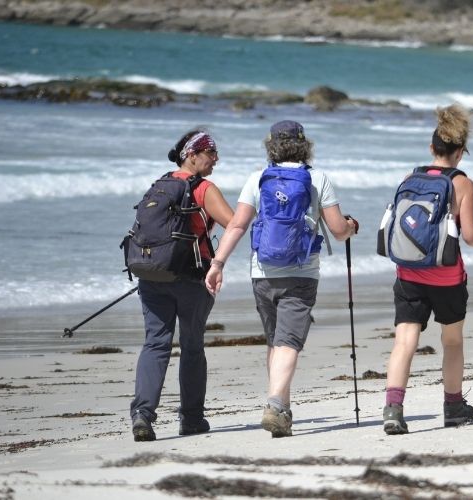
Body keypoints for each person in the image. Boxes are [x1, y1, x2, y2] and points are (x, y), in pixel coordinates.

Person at [205, 120, 357, 438]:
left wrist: (218, 263)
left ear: (271, 145)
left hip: (261, 272)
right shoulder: (317, 178)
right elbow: (339, 231)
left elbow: (236, 226)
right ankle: (275, 405)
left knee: (276, 342)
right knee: (288, 343)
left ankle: (282, 413)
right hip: (301, 273)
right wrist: (352, 226)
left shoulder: (258, 178)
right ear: (304, 145)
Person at [383, 104, 473, 435]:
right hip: (448, 276)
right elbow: (471, 236)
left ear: (431, 148)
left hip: (407, 273)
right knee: (451, 341)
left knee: (404, 340)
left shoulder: (410, 178)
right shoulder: (462, 184)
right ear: (461, 152)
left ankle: (393, 409)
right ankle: (453, 407)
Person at [131, 130, 234, 441]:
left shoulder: (160, 183)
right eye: (210, 152)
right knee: (191, 347)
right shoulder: (204, 188)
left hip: (152, 275)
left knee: (155, 344)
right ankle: (190, 419)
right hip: (193, 278)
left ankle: (142, 415)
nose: (216, 158)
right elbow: (235, 224)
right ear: (192, 155)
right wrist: (218, 263)